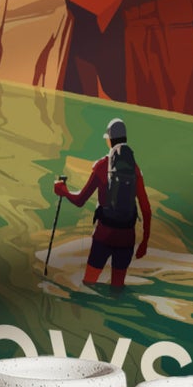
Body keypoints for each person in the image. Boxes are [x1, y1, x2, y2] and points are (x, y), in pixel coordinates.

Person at [52, 117, 152, 289]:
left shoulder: (101, 166)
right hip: (127, 238)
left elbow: (80, 200)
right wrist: (144, 242)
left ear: (109, 139)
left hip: (103, 236)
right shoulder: (135, 171)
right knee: (117, 289)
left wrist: (64, 191)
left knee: (89, 282)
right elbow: (146, 209)